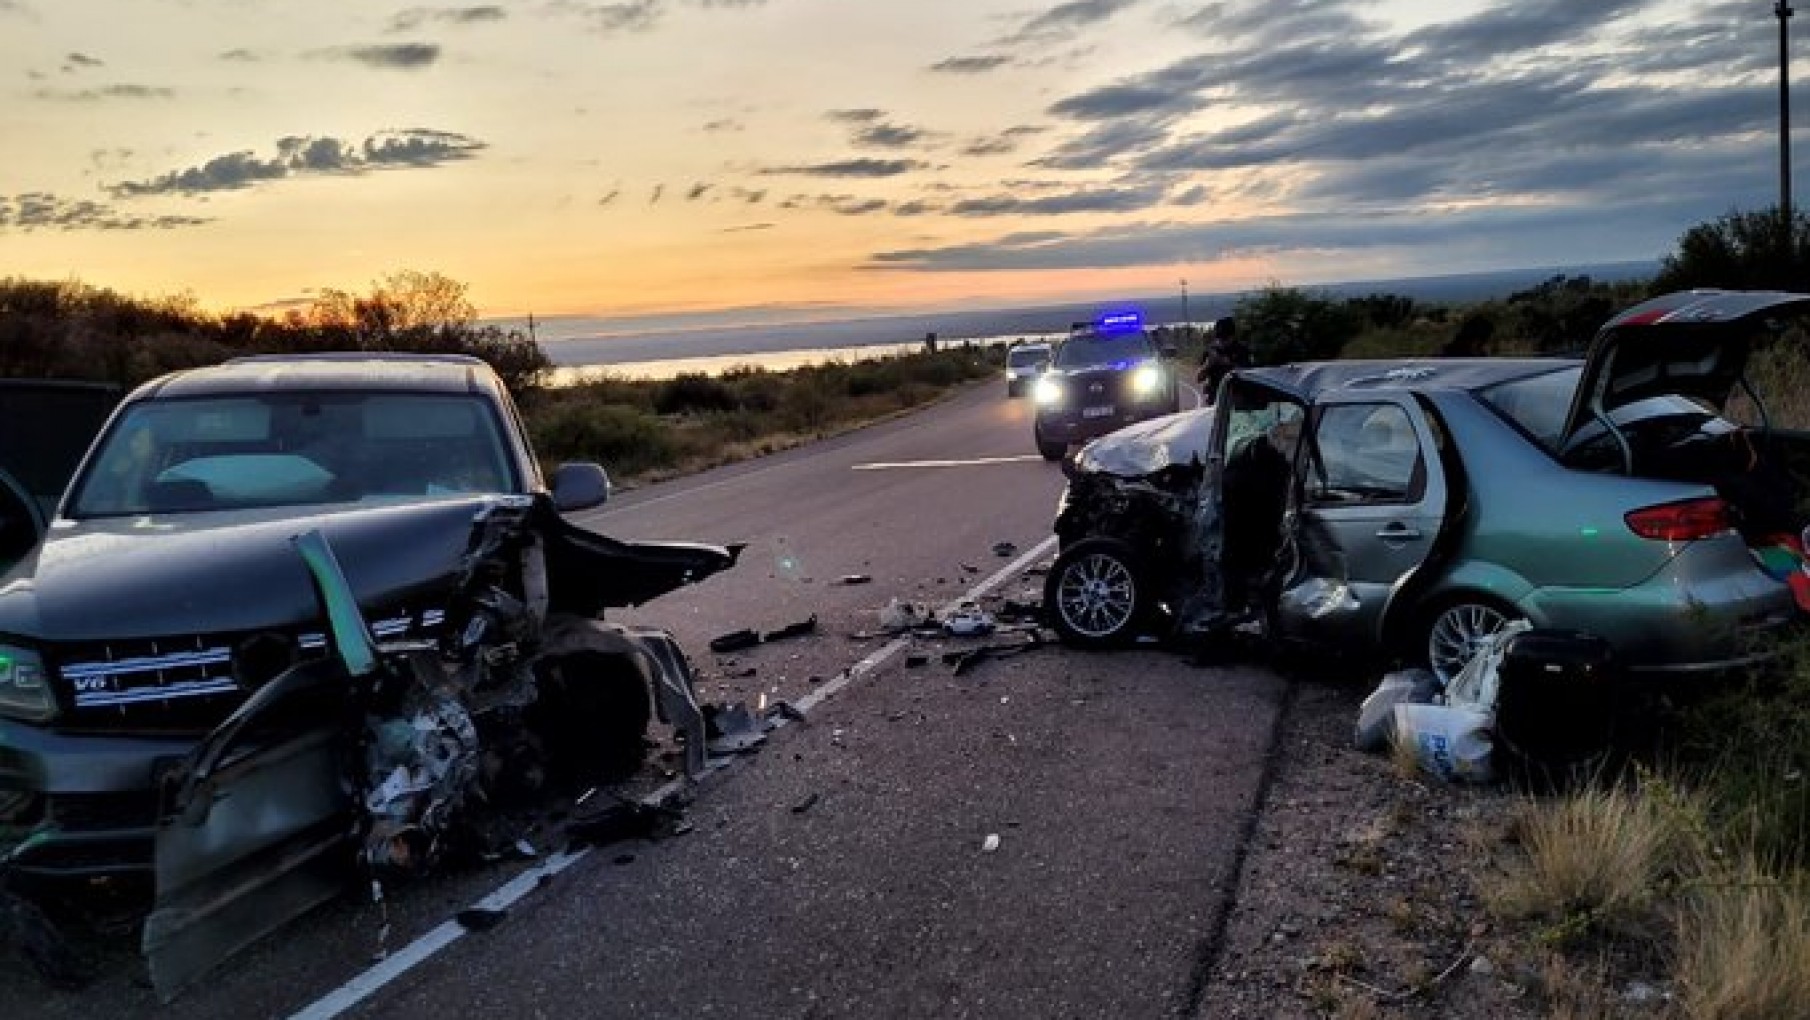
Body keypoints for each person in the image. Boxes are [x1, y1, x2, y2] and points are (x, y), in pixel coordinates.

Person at [1196, 316, 1250, 403]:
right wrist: (1208, 365)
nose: (1222, 341)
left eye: (1225, 338)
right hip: (1215, 399)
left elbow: (1246, 374)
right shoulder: (1211, 351)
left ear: (1232, 336)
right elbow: (1199, 378)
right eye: (1219, 338)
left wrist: (1226, 362)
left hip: (1235, 399)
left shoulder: (1241, 350)